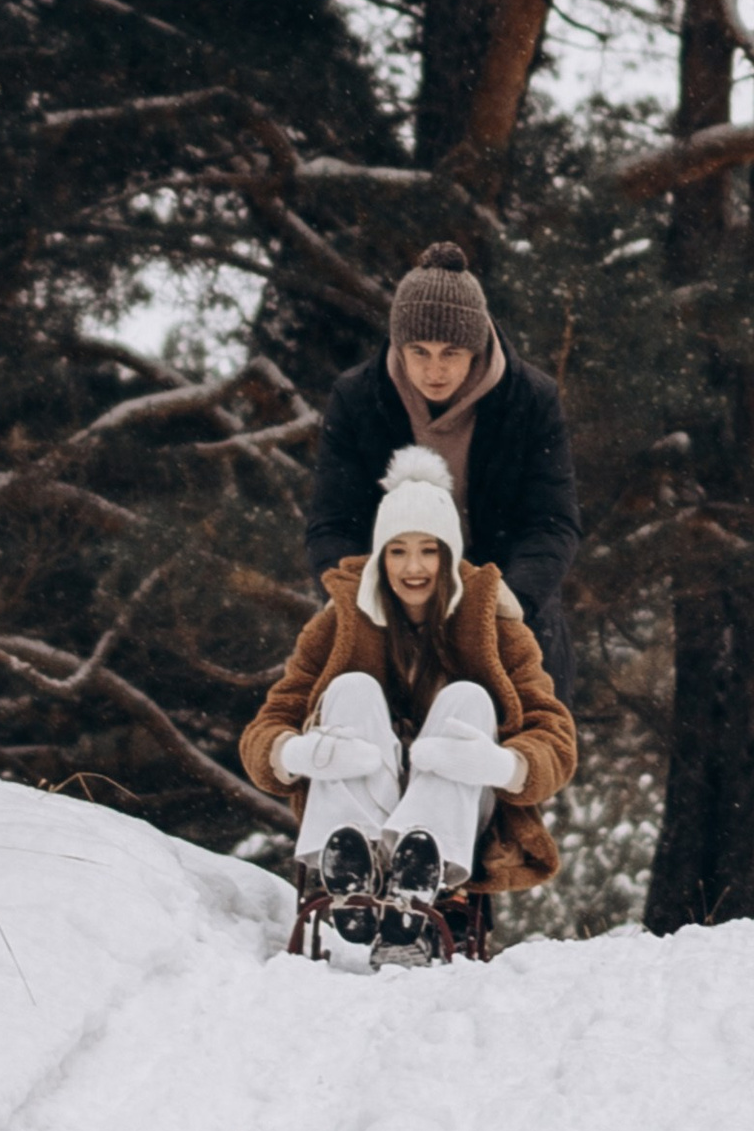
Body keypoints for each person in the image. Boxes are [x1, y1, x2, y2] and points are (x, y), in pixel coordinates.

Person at [242, 443, 577, 960]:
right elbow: (266, 729)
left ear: (448, 554)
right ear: (380, 557)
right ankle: (354, 868)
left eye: (429, 549)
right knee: (349, 688)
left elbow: (555, 739)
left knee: (469, 696)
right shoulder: (339, 624)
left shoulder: (496, 628)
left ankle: (422, 869)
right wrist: (295, 753)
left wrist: (501, 763)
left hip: (459, 811)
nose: (413, 567)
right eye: (398, 550)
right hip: (359, 809)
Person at [305, 241, 583, 691]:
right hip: (389, 604)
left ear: (476, 347)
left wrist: (510, 600)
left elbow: (552, 522)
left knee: (529, 745)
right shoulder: (357, 398)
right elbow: (333, 522)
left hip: (506, 605)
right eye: (419, 351)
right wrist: (359, 596)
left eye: (450, 352)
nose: (434, 370)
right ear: (399, 345)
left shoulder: (530, 399)